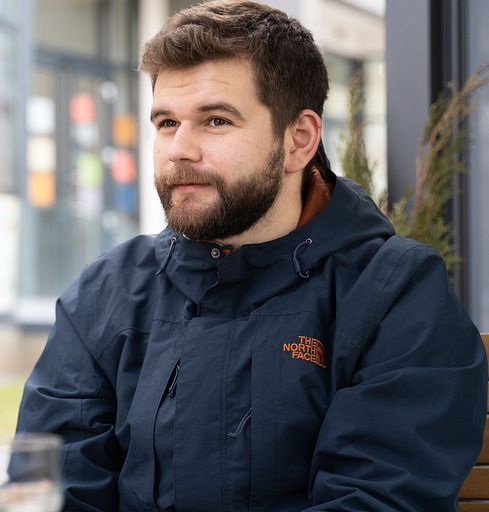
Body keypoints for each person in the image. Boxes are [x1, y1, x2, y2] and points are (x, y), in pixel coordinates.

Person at [17, 1, 487, 511]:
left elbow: (379, 499)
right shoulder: (106, 292)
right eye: (167, 122)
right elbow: (57, 490)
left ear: (299, 140)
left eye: (216, 120)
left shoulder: (394, 295)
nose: (179, 149)